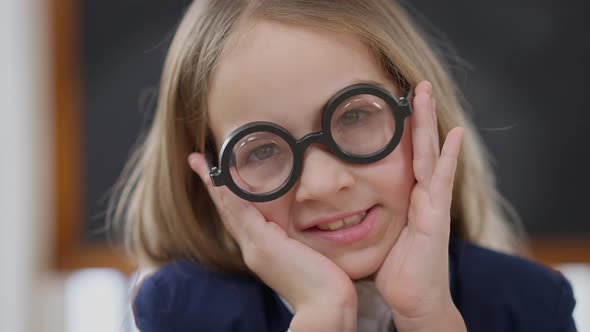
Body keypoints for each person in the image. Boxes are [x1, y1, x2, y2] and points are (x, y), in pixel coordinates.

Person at [109, 0, 577, 331]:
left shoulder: (530, 306)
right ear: (212, 180)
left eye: (353, 116)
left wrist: (427, 317)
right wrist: (321, 316)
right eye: (263, 150)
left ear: (419, 114)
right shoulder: (180, 313)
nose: (323, 183)